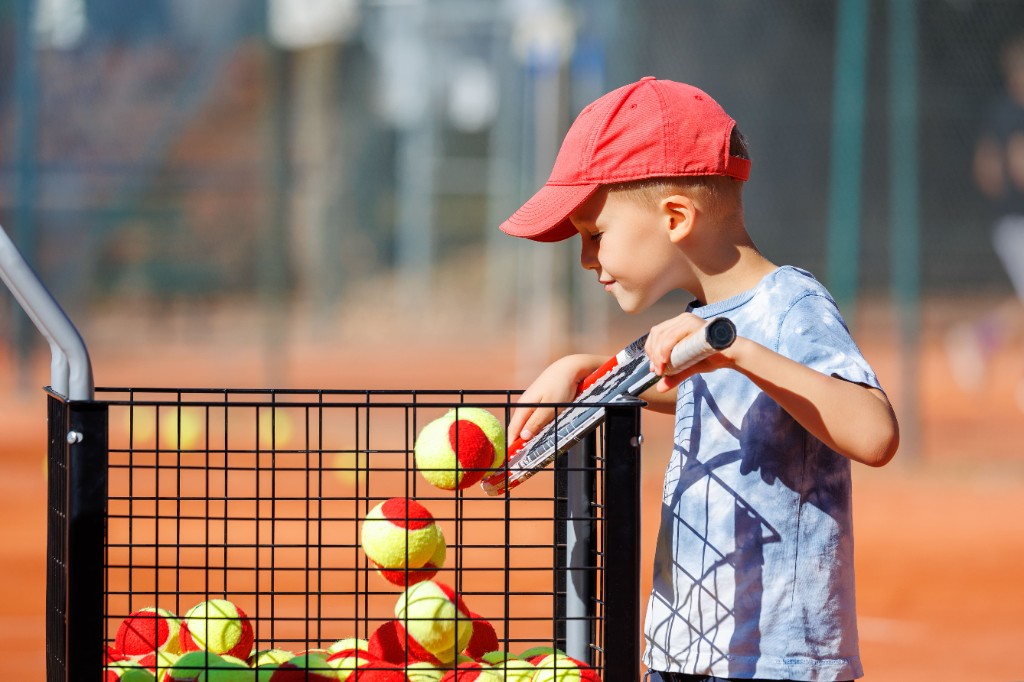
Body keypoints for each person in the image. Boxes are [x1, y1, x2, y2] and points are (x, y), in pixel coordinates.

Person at [499, 77, 900, 681]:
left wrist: (737, 352)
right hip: (681, 650)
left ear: (677, 217)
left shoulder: (788, 305)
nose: (587, 260)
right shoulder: (700, 322)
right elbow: (684, 388)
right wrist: (578, 368)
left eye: (594, 236)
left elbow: (875, 433)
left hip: (776, 661)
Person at [946, 32, 1024, 407]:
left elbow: (986, 168)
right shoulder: (1013, 113)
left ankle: (978, 340)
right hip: (1015, 221)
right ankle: (978, 340)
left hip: (1008, 218)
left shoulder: (1000, 111)